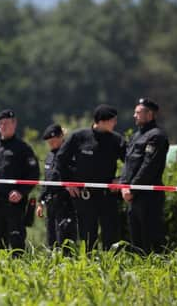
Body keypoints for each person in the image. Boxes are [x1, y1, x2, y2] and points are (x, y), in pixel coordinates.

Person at [54, 105, 126, 251]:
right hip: (84, 196)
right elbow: (60, 160)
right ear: (101, 121)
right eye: (112, 120)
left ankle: (112, 267)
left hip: (108, 196)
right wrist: (68, 182)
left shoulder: (116, 140)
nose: (115, 124)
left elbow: (131, 162)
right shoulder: (79, 137)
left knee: (111, 236)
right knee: (87, 237)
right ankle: (88, 268)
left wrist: (121, 179)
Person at [0, 109, 40, 253]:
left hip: (14, 204)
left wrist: (21, 192)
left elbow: (34, 174)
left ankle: (18, 272)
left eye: (6, 123)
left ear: (14, 124)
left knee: (16, 244)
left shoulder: (23, 149)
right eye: (1, 124)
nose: (3, 126)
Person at [120, 98, 169, 254]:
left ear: (150, 114)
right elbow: (128, 163)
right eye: (134, 112)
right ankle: (141, 271)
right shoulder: (136, 136)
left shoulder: (157, 136)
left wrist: (132, 189)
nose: (134, 115)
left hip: (148, 196)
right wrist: (123, 185)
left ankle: (157, 272)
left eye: (138, 112)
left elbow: (149, 166)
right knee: (137, 240)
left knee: (151, 237)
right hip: (134, 196)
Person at [36, 123, 77, 249]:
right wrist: (41, 201)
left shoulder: (71, 153)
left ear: (61, 137)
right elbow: (47, 181)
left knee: (65, 238)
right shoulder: (50, 156)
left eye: (53, 141)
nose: (51, 145)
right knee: (51, 239)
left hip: (66, 202)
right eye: (49, 142)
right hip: (51, 203)